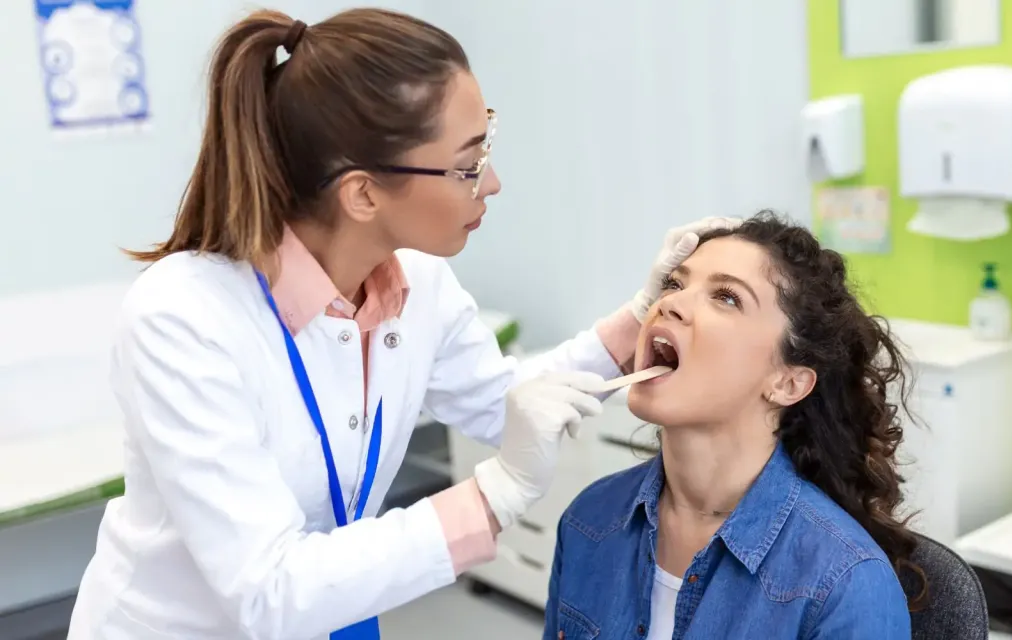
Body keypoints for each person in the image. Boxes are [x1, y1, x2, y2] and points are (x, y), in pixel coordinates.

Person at [67, 8, 736, 640]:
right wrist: (495, 494)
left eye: (487, 145)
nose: (492, 183)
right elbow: (269, 590)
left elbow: (501, 401)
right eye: (469, 164)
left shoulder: (418, 285)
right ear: (362, 193)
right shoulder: (182, 318)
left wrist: (635, 319)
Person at [543, 212, 924, 639]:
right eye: (674, 283)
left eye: (726, 297)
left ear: (788, 383)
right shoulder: (588, 519)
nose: (668, 303)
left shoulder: (846, 585)